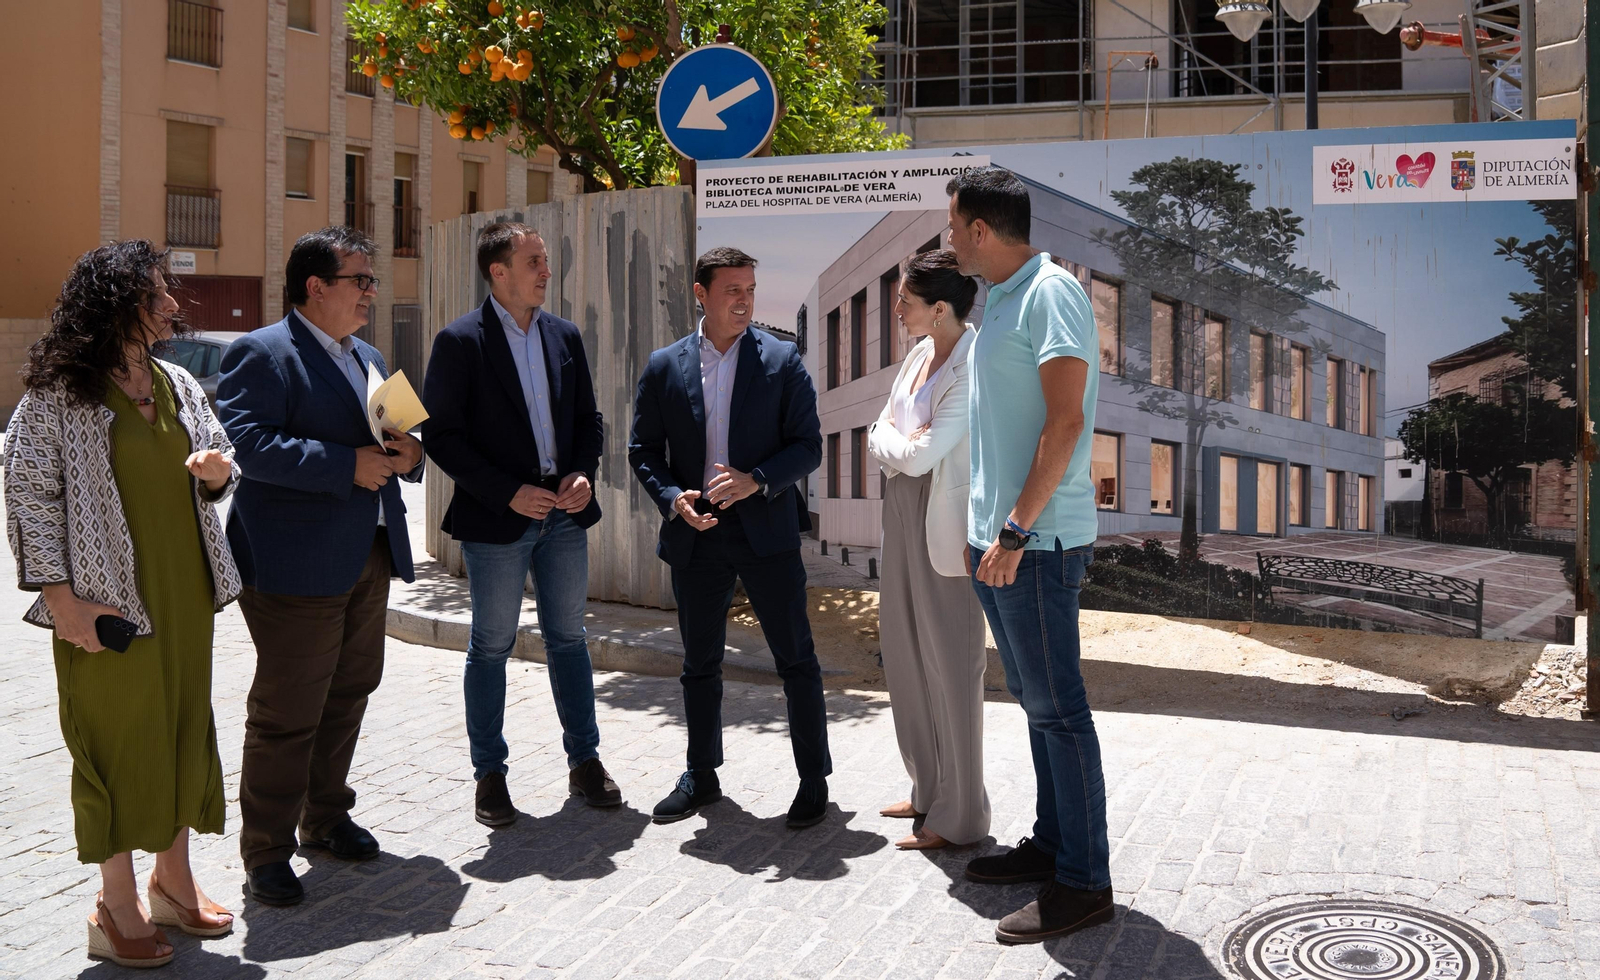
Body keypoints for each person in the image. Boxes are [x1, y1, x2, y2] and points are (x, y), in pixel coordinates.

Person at [4, 240, 243, 968]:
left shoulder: (177, 382)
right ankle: (115, 904)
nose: (172, 304)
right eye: (155, 294)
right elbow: (29, 495)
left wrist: (216, 473)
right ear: (115, 306)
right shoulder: (60, 394)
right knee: (115, 739)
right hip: (101, 599)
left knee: (179, 727)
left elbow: (219, 463)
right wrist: (61, 600)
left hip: (183, 590)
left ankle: (173, 881)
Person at [216, 227, 425, 907]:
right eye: (359, 280)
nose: (371, 292)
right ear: (315, 287)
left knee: (350, 688)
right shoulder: (261, 351)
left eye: (371, 280)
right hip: (293, 564)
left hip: (369, 553)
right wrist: (345, 466)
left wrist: (412, 455)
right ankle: (266, 850)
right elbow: (246, 444)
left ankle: (326, 817)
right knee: (288, 709)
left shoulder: (369, 354)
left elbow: (407, 432)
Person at [943, 166, 1114, 944]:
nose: (950, 239)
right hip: (1000, 544)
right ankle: (1052, 846)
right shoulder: (1003, 300)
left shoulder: (1051, 293)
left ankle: (1085, 882)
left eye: (954, 226)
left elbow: (1066, 422)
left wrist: (1014, 531)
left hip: (1035, 544)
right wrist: (984, 531)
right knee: (1037, 705)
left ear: (981, 230)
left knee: (1059, 711)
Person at [421, 222, 617, 827]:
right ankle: (490, 775)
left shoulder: (564, 335)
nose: (546, 271)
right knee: (491, 646)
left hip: (565, 517)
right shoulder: (459, 342)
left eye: (546, 260)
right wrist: (508, 493)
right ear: (498, 271)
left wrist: (582, 472)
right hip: (495, 521)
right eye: (534, 261)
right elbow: (442, 437)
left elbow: (588, 420)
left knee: (569, 640)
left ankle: (585, 763)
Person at [627, 247, 830, 829]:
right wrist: (673, 498)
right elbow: (643, 450)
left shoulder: (782, 359)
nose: (744, 301)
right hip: (698, 532)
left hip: (767, 530)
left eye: (750, 290)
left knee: (796, 659)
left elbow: (808, 446)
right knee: (699, 664)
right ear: (701, 293)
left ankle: (813, 778)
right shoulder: (664, 366)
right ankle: (702, 774)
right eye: (732, 290)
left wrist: (756, 480)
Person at [866, 250, 990, 852]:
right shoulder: (918, 355)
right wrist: (896, 440)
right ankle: (926, 790)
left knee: (953, 664)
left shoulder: (973, 363)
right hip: (900, 508)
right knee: (906, 652)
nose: (896, 308)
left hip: (945, 520)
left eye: (905, 300)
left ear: (939, 308)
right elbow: (879, 432)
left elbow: (919, 456)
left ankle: (961, 814)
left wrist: (895, 443)